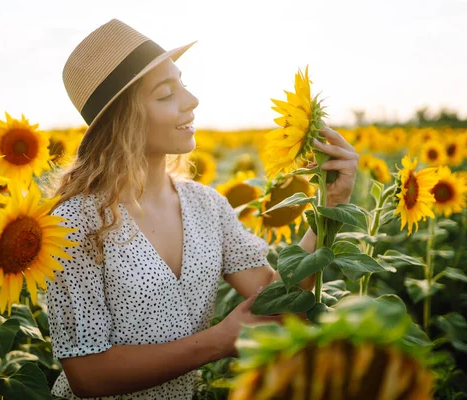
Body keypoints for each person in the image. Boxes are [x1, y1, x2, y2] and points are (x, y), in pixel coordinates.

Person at [43, 18, 358, 399]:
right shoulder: (74, 223)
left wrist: (331, 206)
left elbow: (278, 299)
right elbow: (87, 374)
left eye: (183, 84)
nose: (191, 101)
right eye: (165, 94)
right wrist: (221, 340)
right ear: (121, 120)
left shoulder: (206, 205)